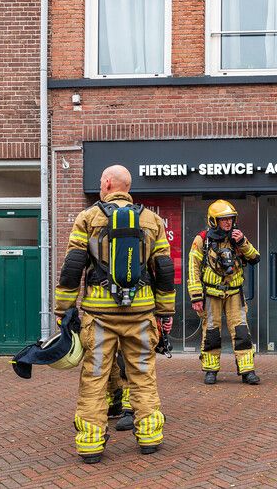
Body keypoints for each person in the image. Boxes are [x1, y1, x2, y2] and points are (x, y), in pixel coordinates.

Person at [54, 164, 176, 463]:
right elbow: (163, 269)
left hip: (99, 315)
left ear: (108, 183)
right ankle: (149, 435)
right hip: (141, 312)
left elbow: (72, 266)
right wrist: (165, 312)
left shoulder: (88, 218)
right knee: (143, 374)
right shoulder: (152, 220)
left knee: (95, 377)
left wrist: (63, 309)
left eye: (100, 180)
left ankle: (91, 444)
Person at [188, 200, 261, 385]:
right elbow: (193, 268)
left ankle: (247, 371)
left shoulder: (237, 238)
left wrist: (243, 242)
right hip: (211, 293)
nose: (228, 223)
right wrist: (196, 296)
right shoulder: (202, 240)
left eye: (230, 219)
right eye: (223, 219)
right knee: (211, 331)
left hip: (235, 293)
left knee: (242, 331)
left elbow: (255, 257)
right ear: (214, 221)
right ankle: (211, 371)